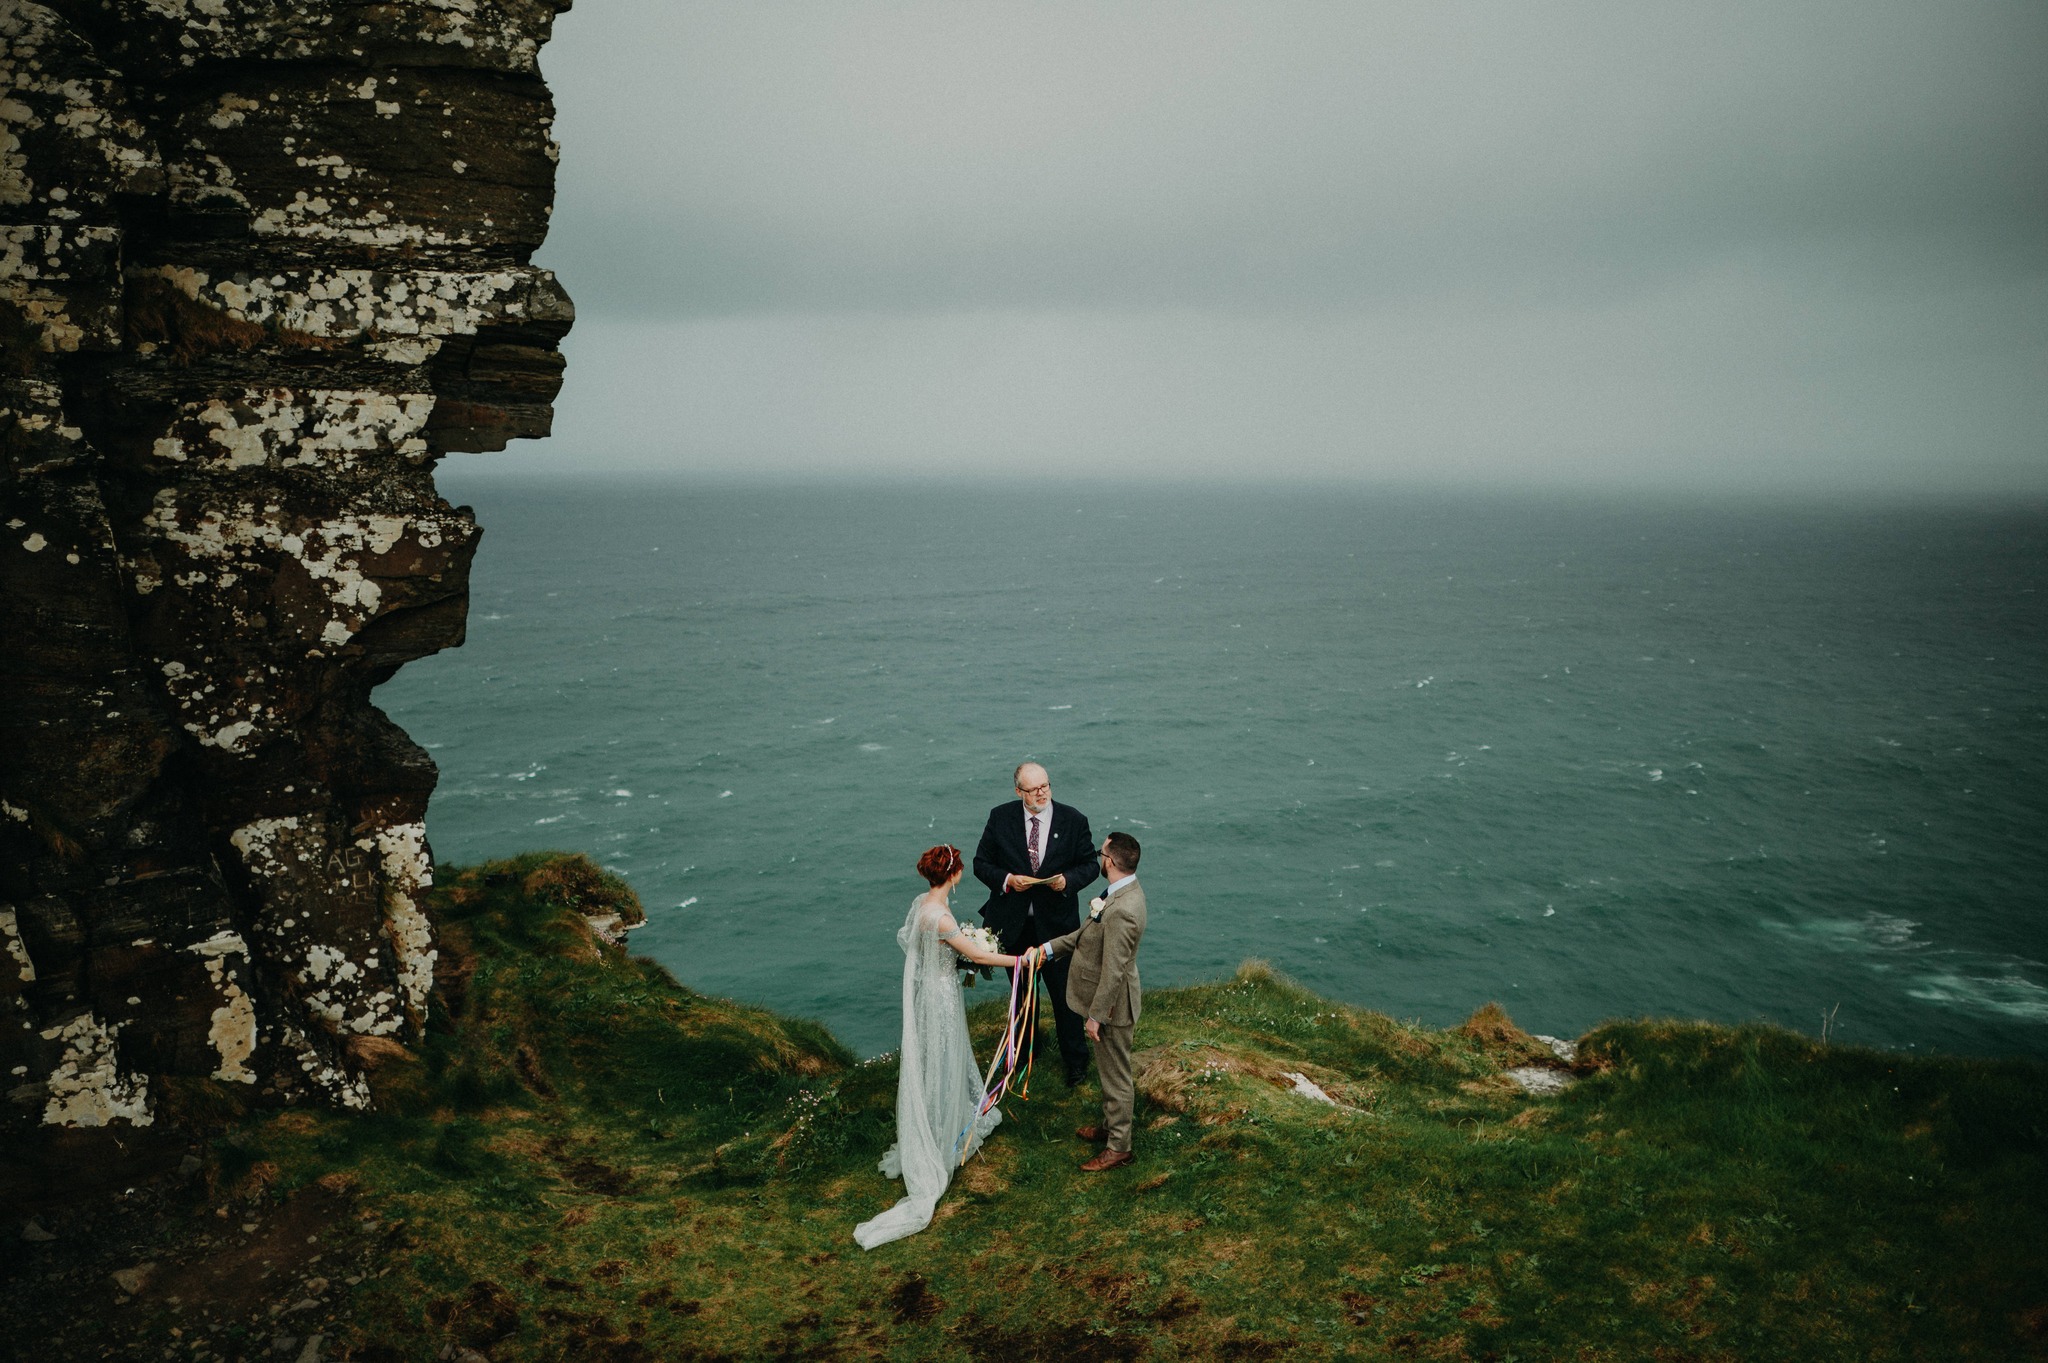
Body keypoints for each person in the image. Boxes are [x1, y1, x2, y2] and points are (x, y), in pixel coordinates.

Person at [853, 843, 1019, 1249]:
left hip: (929, 990)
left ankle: (934, 1118)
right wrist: (1020, 961)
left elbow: (913, 943)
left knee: (935, 1058)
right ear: (955, 873)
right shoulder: (942, 918)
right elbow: (976, 953)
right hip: (942, 996)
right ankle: (939, 1133)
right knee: (945, 1057)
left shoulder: (920, 904)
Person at [971, 762, 1099, 1085]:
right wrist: (1008, 879)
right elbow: (980, 863)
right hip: (1014, 927)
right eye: (1033, 789)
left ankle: (1076, 1062)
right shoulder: (1000, 817)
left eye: (1045, 786)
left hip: (1058, 928)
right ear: (1019, 792)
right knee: (1022, 996)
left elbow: (1090, 866)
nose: (1041, 793)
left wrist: (1067, 881)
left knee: (1064, 997)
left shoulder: (1073, 820)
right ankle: (1027, 1052)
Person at [1031, 831, 1147, 1172]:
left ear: (1109, 861)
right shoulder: (1118, 894)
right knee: (1110, 1072)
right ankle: (1112, 1128)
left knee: (1116, 1077)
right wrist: (1047, 950)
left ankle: (1119, 1147)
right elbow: (1085, 935)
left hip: (1113, 1007)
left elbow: (1114, 972)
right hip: (1108, 1003)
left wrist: (1097, 1016)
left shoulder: (1123, 910)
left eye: (1102, 854)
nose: (1099, 858)